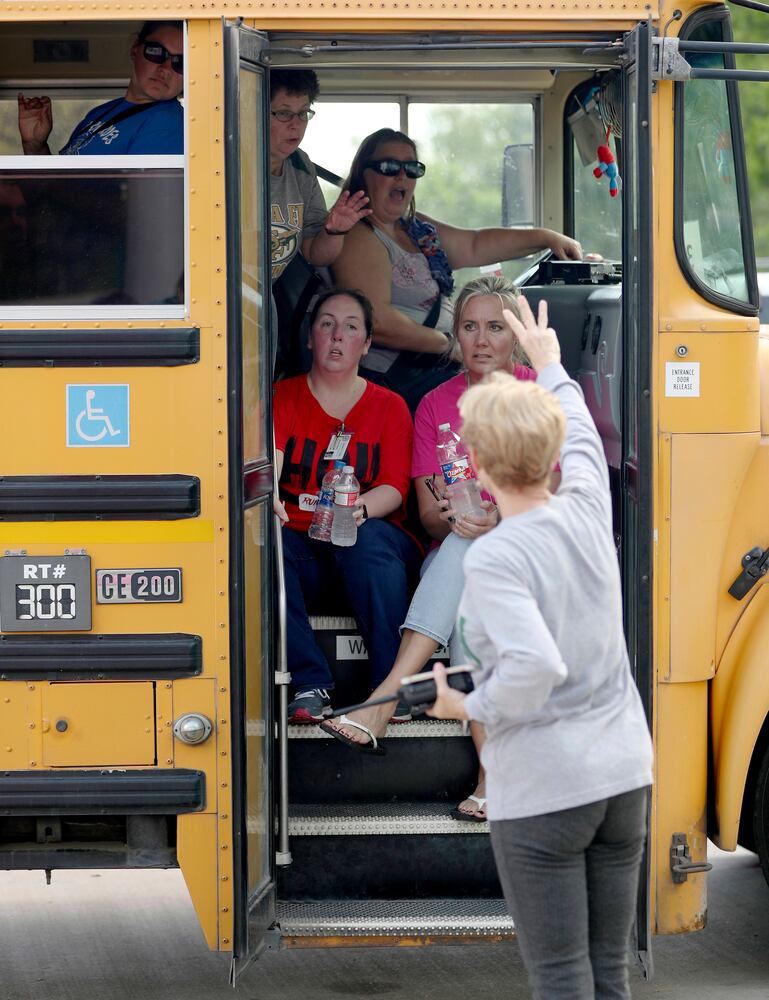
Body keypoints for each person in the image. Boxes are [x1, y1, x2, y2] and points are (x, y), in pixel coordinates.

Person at [426, 295, 654, 1000]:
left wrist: (460, 702)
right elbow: (582, 434)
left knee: (558, 978)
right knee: (607, 971)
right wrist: (550, 365)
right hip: (623, 776)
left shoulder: (495, 557)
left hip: (547, 787)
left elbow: (532, 669)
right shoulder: (588, 509)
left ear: (481, 463)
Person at [319, 276, 552, 822]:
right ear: (455, 335)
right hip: (460, 557)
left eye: (495, 327)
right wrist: (455, 517)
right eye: (469, 327)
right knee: (471, 577)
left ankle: (390, 693)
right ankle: (492, 778)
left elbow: (555, 496)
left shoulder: (537, 394)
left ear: (513, 335)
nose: (482, 339)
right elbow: (427, 517)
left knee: (480, 560)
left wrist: (501, 515)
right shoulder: (433, 406)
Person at [331, 128, 583, 410]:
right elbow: (375, 321)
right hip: (399, 379)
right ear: (363, 174)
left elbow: (475, 244)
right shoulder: (358, 235)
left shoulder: (416, 228)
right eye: (389, 167)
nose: (402, 176)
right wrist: (449, 345)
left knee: (525, 388)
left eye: (412, 168)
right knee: (511, 403)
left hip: (435, 366)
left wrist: (547, 238)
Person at [274, 288, 422, 739]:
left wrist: (355, 510)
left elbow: (396, 487)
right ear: (310, 337)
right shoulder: (283, 396)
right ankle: (310, 684)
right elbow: (273, 457)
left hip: (367, 546)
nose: (337, 336)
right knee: (264, 540)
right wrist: (271, 501)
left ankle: (386, 688)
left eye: (351, 327)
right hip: (303, 547)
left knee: (369, 540)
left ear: (367, 343)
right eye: (326, 324)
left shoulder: (389, 405)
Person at [18, 22, 184, 156]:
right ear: (135, 49)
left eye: (181, 63)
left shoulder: (168, 122)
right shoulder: (100, 113)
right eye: (156, 52)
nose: (165, 69)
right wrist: (34, 145)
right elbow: (55, 187)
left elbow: (142, 196)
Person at [269, 69, 370, 282]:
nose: (295, 124)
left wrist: (334, 231)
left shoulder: (301, 165)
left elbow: (314, 253)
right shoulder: (230, 166)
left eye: (303, 113)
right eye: (284, 113)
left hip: (264, 304)